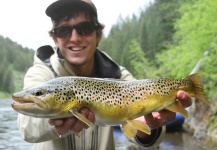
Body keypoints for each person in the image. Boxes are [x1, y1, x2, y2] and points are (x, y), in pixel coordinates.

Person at [17, 0, 192, 149]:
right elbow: (26, 128)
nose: (75, 38)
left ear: (98, 34)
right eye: (64, 30)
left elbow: (149, 137)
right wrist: (55, 122)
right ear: (55, 38)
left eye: (84, 28)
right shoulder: (42, 72)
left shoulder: (118, 75)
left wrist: (149, 129)